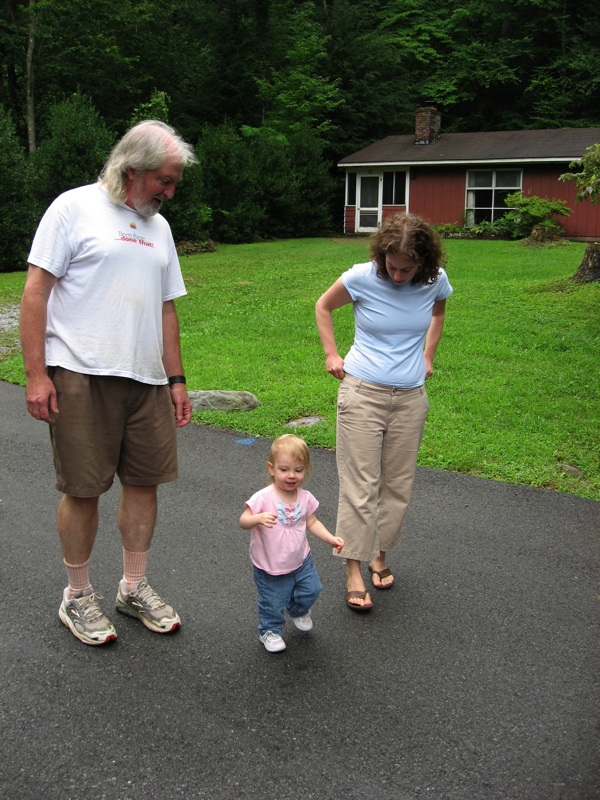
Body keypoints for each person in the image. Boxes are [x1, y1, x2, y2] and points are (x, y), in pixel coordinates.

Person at [20, 120, 197, 646]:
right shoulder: (73, 208)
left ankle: (133, 586)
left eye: (174, 183)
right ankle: (76, 595)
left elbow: (166, 310)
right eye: (164, 180)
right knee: (84, 489)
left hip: (145, 381)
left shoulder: (158, 227)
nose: (169, 191)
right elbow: (35, 293)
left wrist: (177, 380)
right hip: (81, 375)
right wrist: (36, 374)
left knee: (145, 484)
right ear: (132, 169)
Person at [315, 213, 453, 612]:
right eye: (391, 266)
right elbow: (323, 306)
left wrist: (428, 354)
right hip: (362, 393)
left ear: (424, 263)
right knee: (360, 486)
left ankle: (380, 553)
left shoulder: (434, 280)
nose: (397, 275)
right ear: (381, 257)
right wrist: (331, 353)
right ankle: (354, 569)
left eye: (406, 269)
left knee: (397, 487)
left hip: (410, 398)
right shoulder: (361, 277)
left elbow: (439, 312)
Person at [240, 434, 344, 653]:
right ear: (271, 468)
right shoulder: (264, 497)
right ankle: (269, 630)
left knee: (312, 589)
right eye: (284, 469)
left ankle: (297, 609)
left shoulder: (304, 497)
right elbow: (243, 520)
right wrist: (257, 518)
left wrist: (330, 539)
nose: (291, 476)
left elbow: (312, 521)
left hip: (301, 559)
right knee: (272, 601)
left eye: (298, 470)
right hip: (271, 565)